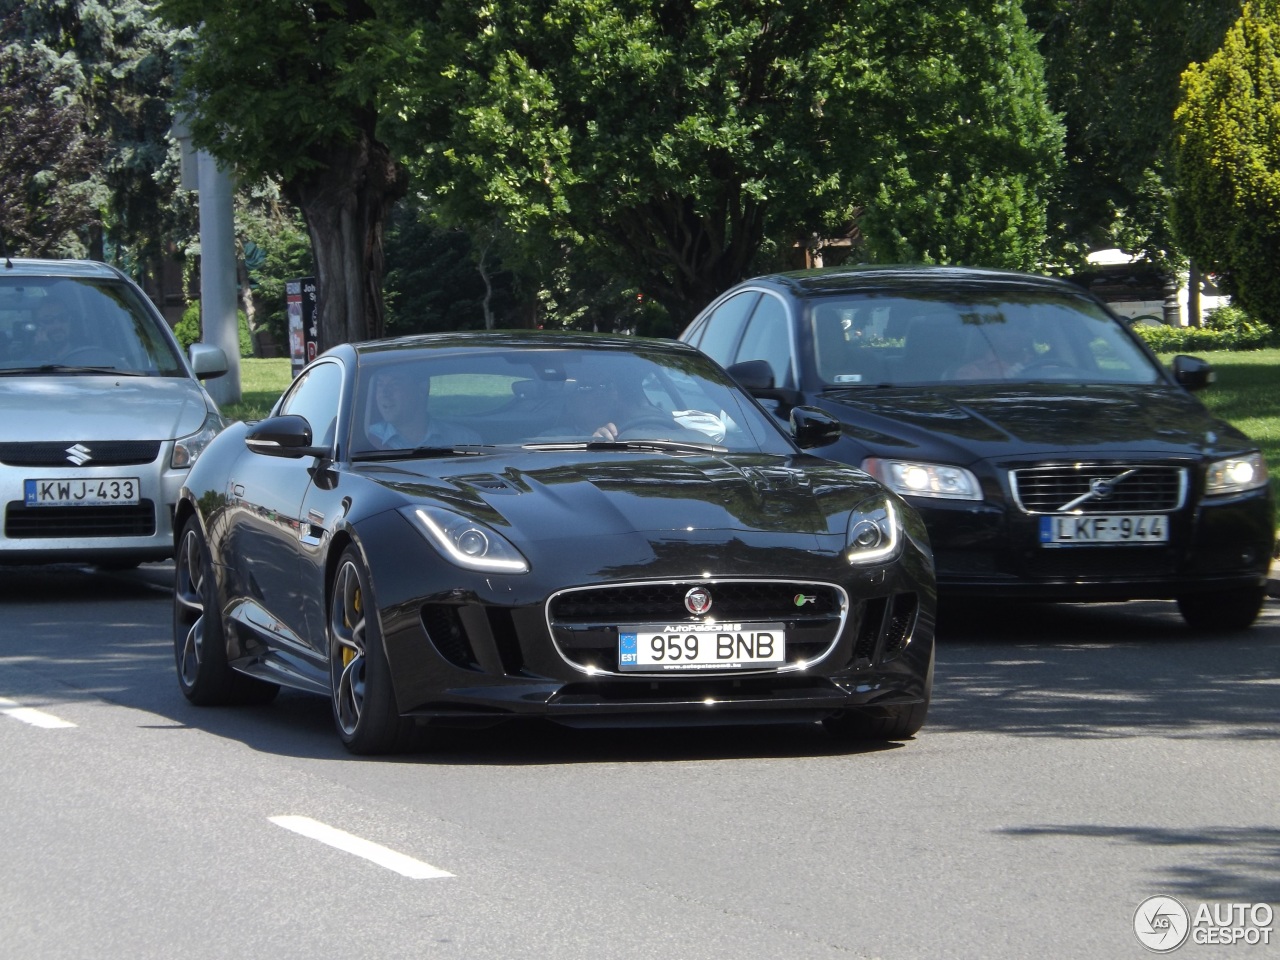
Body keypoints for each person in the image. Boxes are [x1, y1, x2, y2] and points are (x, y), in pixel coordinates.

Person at [367, 368, 480, 449]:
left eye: (395, 384)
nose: (384, 393)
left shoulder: (464, 441)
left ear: (422, 390)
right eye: (380, 385)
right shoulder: (363, 441)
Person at [947, 322, 1036, 380]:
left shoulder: (1043, 364)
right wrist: (1004, 382)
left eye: (1023, 327)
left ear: (1031, 333)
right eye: (1005, 327)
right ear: (991, 333)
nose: (1014, 333)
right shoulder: (971, 372)